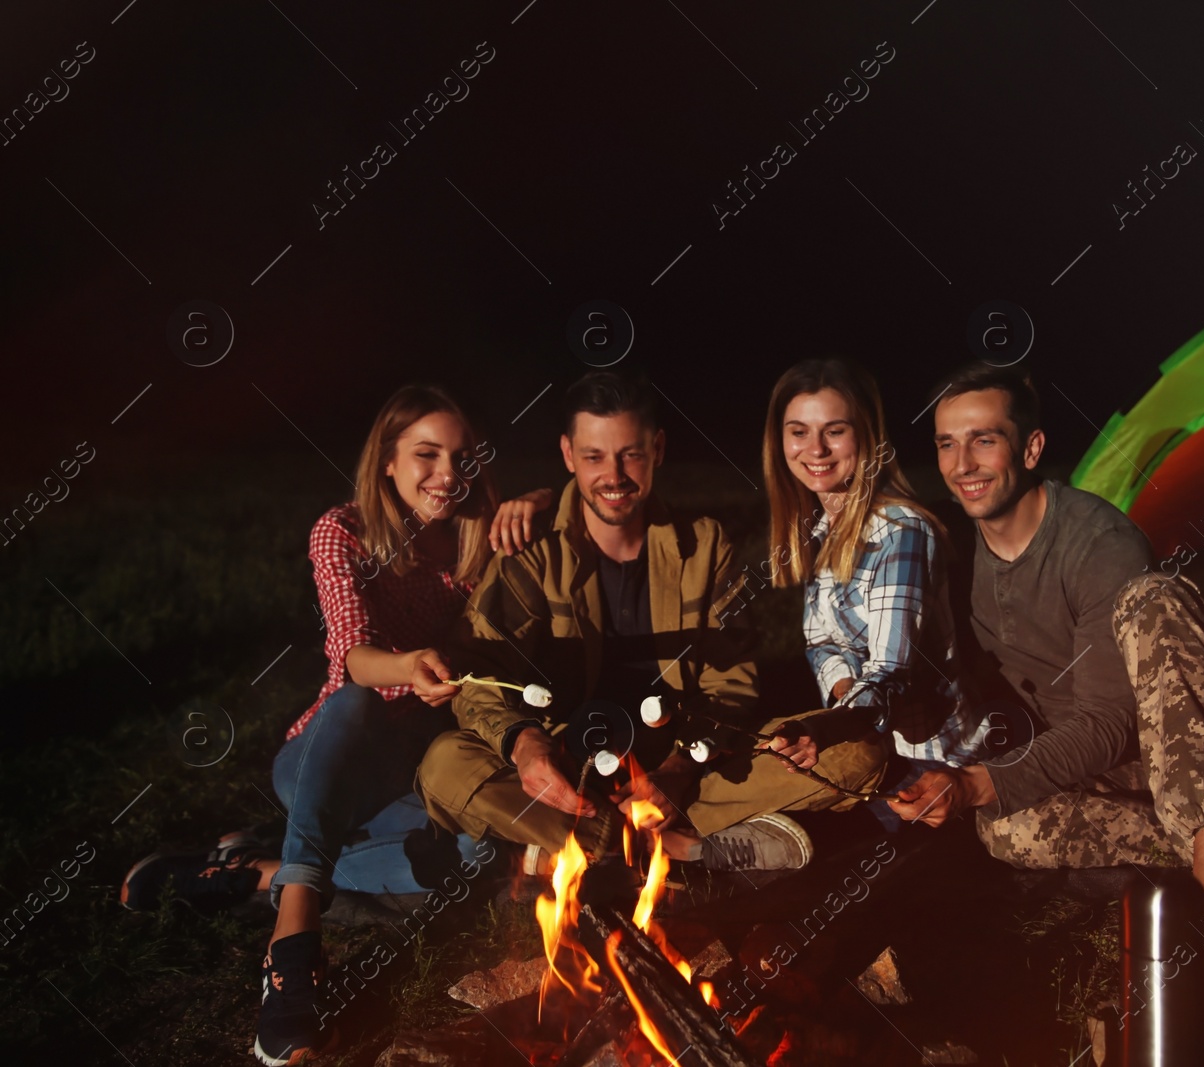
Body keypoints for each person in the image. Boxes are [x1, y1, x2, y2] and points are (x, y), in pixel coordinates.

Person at [120, 385, 550, 1065]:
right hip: (333, 749)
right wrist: (409, 663)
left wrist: (539, 499)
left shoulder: (480, 534)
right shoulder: (343, 529)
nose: (448, 473)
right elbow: (351, 657)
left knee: (478, 854)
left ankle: (255, 873)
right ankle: (292, 951)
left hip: (418, 770)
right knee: (357, 701)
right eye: (427, 454)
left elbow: (583, 493)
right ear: (386, 459)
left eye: (462, 456)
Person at [415, 370, 886, 876]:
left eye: (630, 455)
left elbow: (730, 681)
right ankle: (671, 850)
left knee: (856, 754)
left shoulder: (704, 547)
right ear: (569, 455)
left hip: (684, 768)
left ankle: (582, 853)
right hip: (567, 771)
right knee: (444, 764)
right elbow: (478, 673)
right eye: (594, 457)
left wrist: (679, 771)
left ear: (657, 449)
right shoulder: (531, 549)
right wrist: (524, 743)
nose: (613, 476)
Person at [886, 364, 1204, 902]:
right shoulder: (952, 552)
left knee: (1152, 596)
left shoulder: (1098, 542)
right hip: (1080, 759)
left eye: (984, 441)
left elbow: (1114, 720)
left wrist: (979, 781)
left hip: (1169, 742)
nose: (962, 465)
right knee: (1004, 828)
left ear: (1030, 448)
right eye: (947, 444)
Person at [756, 358, 988, 826]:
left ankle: (700, 835)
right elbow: (820, 642)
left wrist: (835, 726)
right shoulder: (823, 529)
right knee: (759, 747)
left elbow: (891, 674)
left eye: (834, 431)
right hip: (865, 733)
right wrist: (843, 701)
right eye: (798, 431)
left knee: (795, 773)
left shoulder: (901, 531)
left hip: (925, 761)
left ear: (866, 436)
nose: (815, 449)